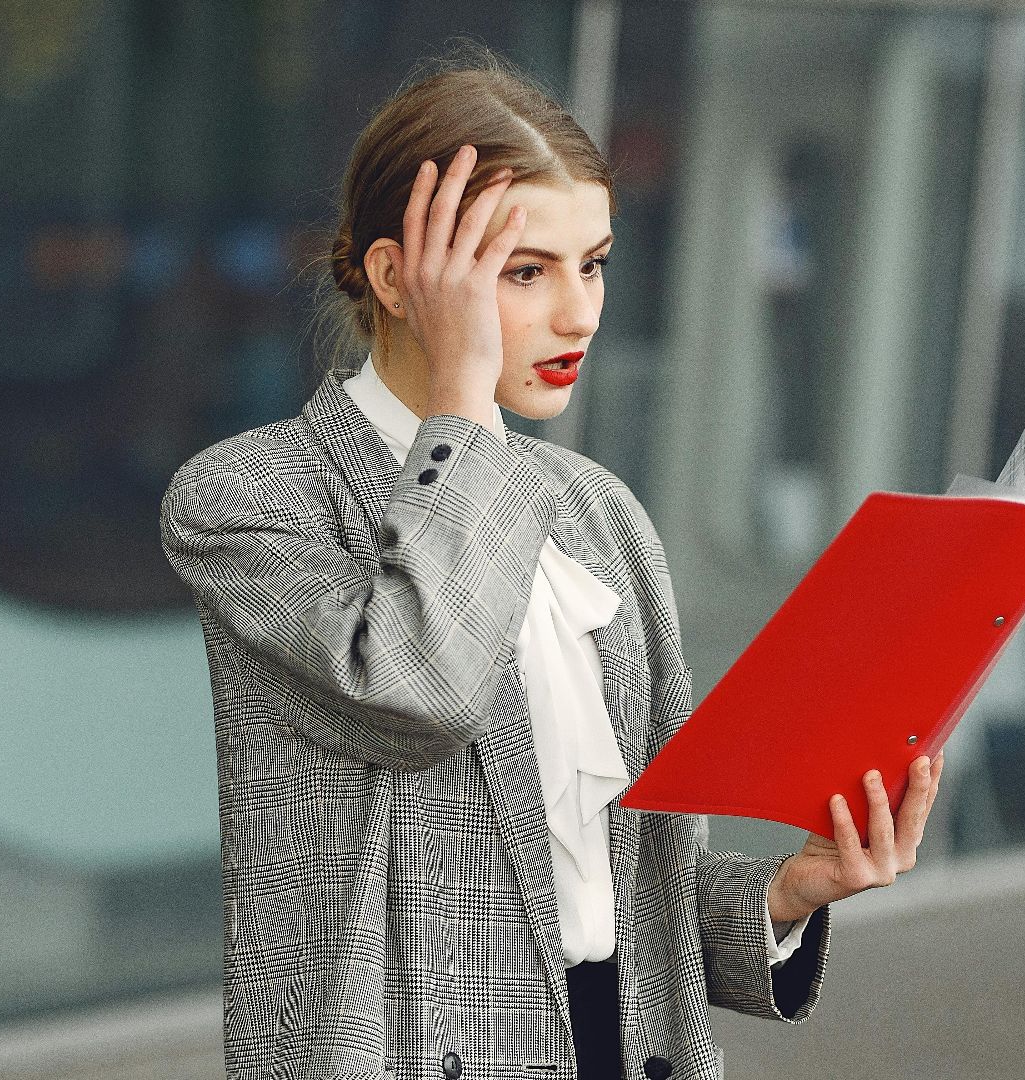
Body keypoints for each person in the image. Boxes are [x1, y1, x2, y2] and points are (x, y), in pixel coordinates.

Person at [159, 43, 945, 1080]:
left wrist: (793, 891)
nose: (580, 313)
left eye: (596, 262)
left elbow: (629, 890)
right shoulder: (249, 497)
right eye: (525, 272)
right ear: (400, 276)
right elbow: (416, 686)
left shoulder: (599, 515)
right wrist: (463, 404)